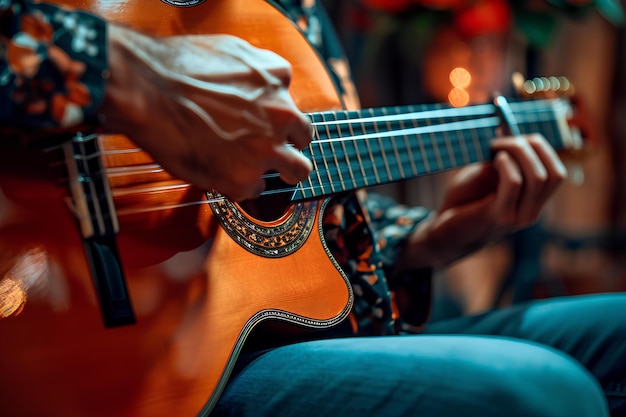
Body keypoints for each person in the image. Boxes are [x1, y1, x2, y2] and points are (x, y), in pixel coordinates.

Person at [1, 1, 625, 416]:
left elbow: (300, 199)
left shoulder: (294, 10)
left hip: (299, 330)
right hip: (143, 368)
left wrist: (430, 237)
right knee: (541, 391)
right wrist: (135, 74)